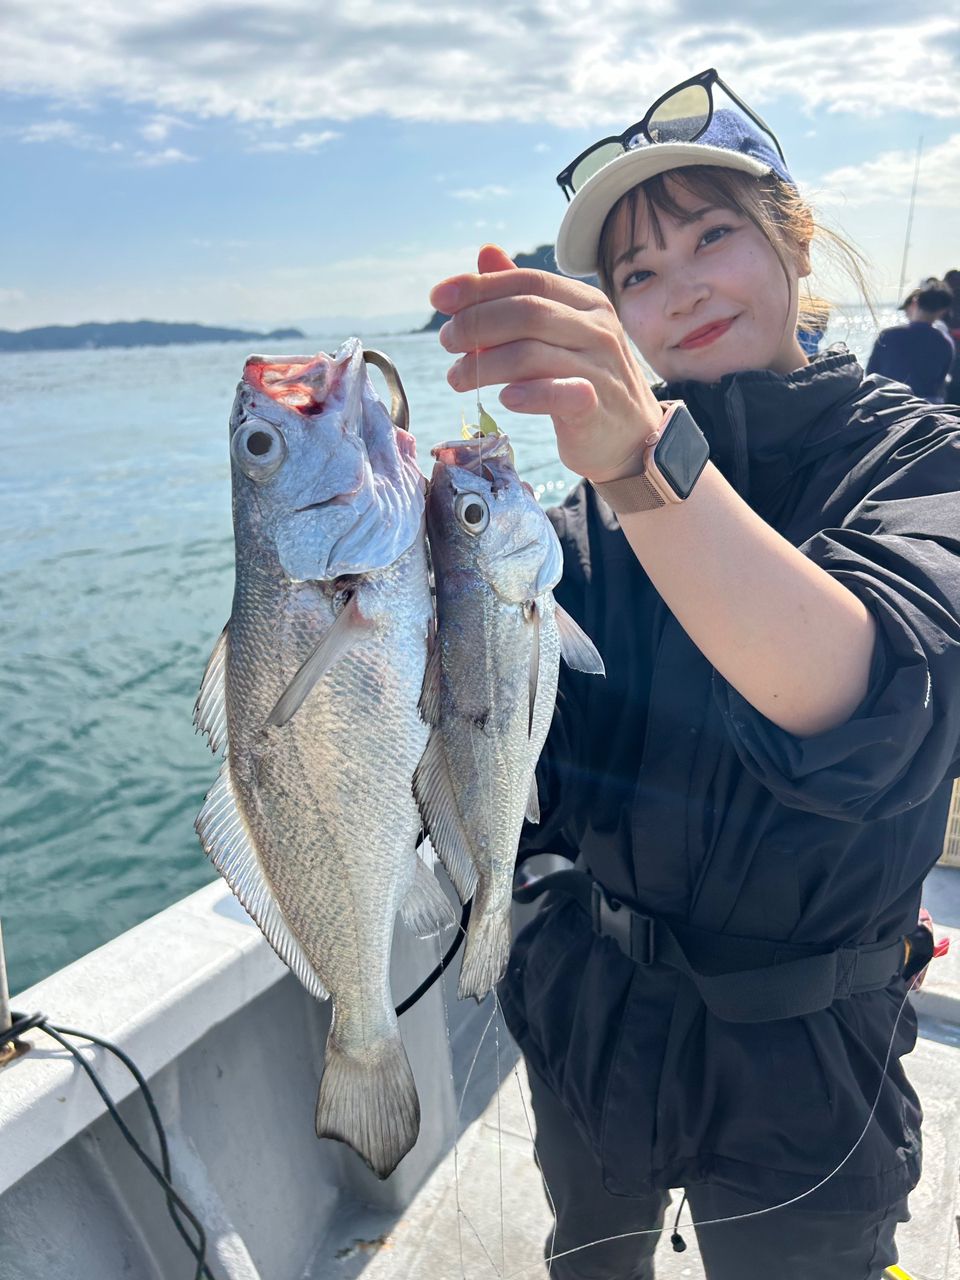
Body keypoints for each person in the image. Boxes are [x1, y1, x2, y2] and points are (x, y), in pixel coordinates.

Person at [429, 67, 960, 1279]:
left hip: (811, 1058)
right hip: (596, 1021)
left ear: (792, 238)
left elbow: (870, 701)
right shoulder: (577, 525)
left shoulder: (921, 459)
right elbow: (497, 736)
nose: (683, 288)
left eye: (712, 234)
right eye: (638, 275)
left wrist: (647, 464)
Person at [867, 280, 954, 400]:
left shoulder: (887, 335)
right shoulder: (945, 342)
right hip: (927, 407)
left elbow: (871, 375)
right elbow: (939, 381)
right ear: (942, 311)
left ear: (915, 302)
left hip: (888, 403)